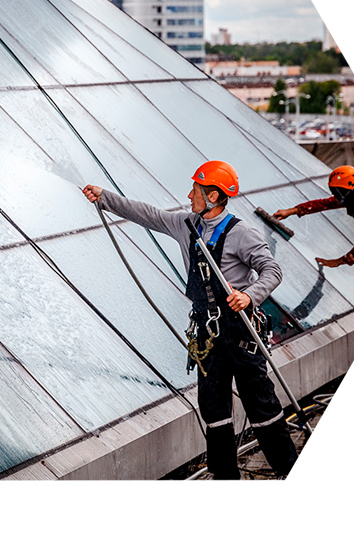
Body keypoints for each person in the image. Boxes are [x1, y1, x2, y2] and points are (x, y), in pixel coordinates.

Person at [83, 160, 297, 479]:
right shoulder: (186, 225)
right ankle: (225, 478)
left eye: (195, 190)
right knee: (214, 411)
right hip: (209, 337)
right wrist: (105, 198)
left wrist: (250, 295)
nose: (189, 195)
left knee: (262, 408)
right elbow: (149, 214)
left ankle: (287, 470)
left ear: (212, 195)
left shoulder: (241, 233)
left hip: (241, 333)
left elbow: (272, 270)